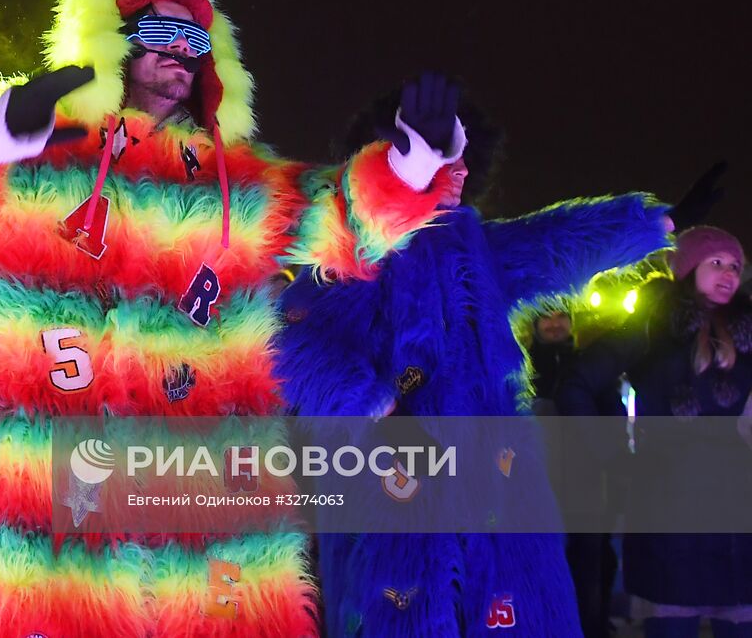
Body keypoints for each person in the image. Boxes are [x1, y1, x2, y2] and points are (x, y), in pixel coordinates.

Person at [0, 0, 470, 636]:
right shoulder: (37, 152)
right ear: (112, 42)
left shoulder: (236, 183)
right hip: (53, 524)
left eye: (196, 39)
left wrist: (411, 167)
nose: (182, 52)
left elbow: (339, 217)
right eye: (160, 31)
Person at [271, 94, 673, 637]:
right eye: (443, 156)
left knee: (512, 604)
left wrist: (644, 224)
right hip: (396, 479)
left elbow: (550, 243)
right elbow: (286, 338)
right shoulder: (354, 257)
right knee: (408, 604)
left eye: (463, 157)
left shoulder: (476, 245)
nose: (458, 170)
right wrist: (372, 402)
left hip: (495, 475)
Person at [559, 226, 752, 638]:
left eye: (736, 266)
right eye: (716, 262)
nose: (729, 273)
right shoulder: (652, 326)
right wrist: (613, 455)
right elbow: (576, 384)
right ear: (688, 267)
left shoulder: (747, 331)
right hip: (670, 519)